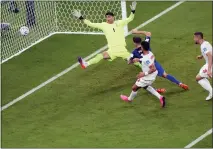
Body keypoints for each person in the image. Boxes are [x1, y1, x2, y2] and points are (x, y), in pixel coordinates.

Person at [72, 1, 141, 69]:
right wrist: (81, 17)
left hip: (122, 49)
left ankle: (146, 69)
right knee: (101, 55)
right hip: (112, 50)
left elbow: (130, 18)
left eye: (109, 16)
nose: (108, 18)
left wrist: (133, 11)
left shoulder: (120, 23)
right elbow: (91, 24)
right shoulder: (103, 25)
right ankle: (86, 64)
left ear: (113, 17)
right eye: (107, 17)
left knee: (135, 61)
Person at [120, 41, 166, 108]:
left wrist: (143, 74)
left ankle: (129, 99)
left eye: (141, 46)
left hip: (148, 76)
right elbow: (146, 60)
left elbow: (153, 69)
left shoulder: (146, 58)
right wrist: (139, 59)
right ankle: (160, 97)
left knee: (134, 88)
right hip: (152, 75)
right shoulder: (150, 53)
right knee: (145, 86)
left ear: (143, 48)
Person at [194, 32, 212, 101]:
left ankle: (211, 92)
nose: (194, 39)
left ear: (197, 38)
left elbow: (210, 56)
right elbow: (209, 52)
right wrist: (201, 56)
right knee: (199, 77)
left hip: (210, 64)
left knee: (198, 78)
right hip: (208, 63)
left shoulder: (203, 46)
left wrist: (209, 69)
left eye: (194, 38)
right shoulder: (205, 43)